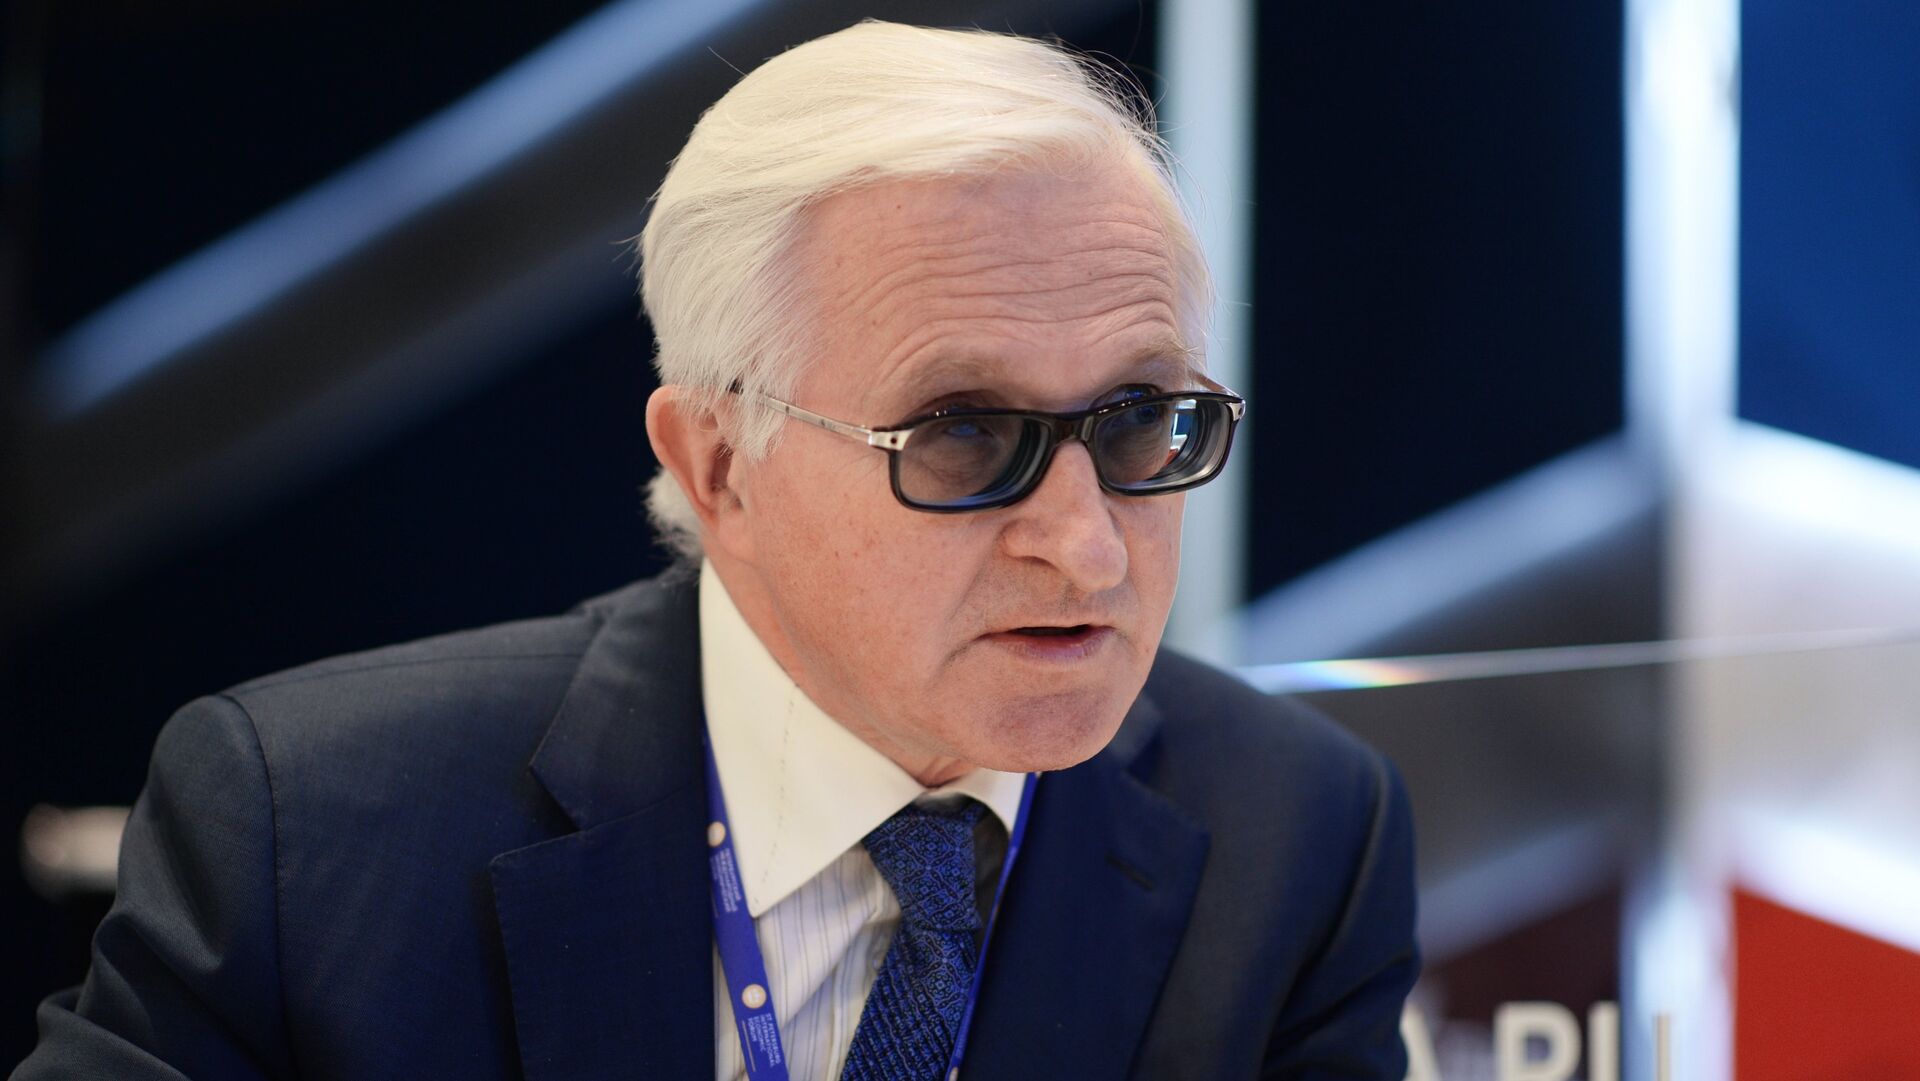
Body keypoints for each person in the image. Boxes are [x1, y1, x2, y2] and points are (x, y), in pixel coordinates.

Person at [15, 20, 1416, 1081]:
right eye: (962, 434)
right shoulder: (309, 831)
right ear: (719, 462)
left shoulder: (1297, 837)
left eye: (1141, 421)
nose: (1089, 548)